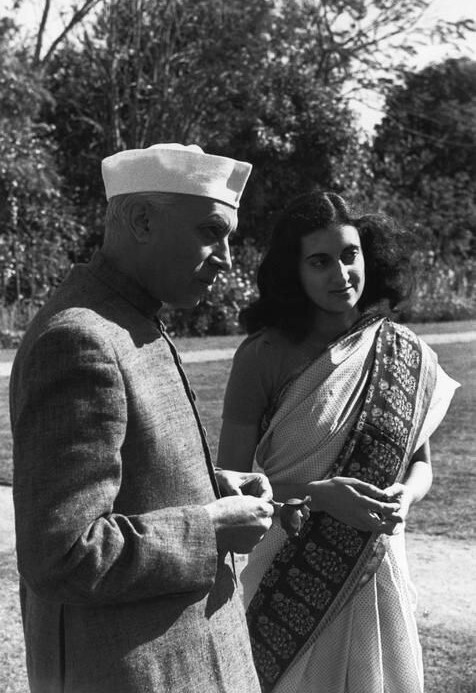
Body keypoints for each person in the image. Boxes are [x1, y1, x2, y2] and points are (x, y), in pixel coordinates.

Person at [10, 143, 275, 693]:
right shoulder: (80, 338)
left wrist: (210, 486)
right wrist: (212, 526)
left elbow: (131, 479)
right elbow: (65, 553)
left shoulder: (130, 315)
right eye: (210, 230)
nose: (227, 257)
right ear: (141, 220)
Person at [217, 189, 459, 693]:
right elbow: (229, 484)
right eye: (320, 261)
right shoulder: (262, 357)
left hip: (378, 565)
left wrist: (405, 496)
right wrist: (317, 495)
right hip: (289, 571)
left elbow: (421, 466)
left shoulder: (402, 351)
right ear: (295, 270)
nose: (341, 274)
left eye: (349, 256)